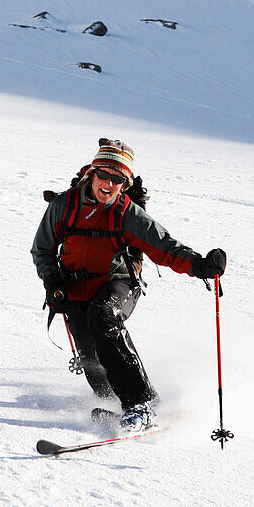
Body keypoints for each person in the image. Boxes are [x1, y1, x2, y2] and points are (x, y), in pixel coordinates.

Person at [31, 138, 226, 432]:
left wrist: (200, 266)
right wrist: (52, 281)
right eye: (104, 175)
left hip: (117, 284)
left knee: (102, 315)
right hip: (73, 289)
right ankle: (119, 404)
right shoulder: (64, 205)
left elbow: (164, 246)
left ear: (124, 183)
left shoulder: (126, 213)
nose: (109, 184)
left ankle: (140, 404)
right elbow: (42, 250)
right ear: (92, 174)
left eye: (118, 179)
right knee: (92, 361)